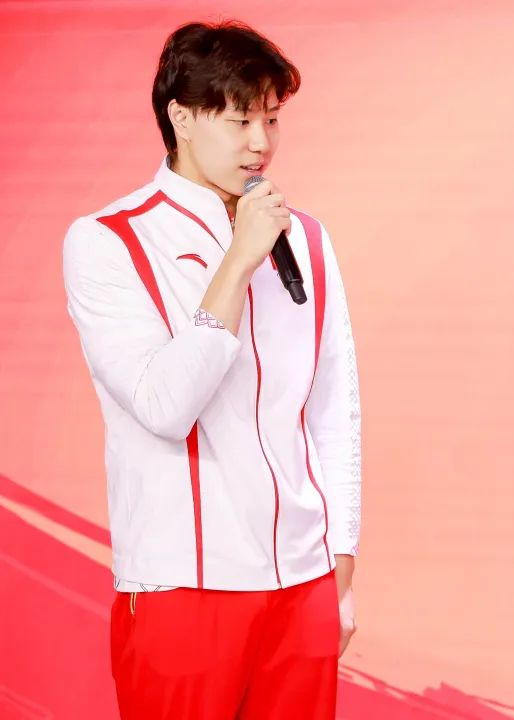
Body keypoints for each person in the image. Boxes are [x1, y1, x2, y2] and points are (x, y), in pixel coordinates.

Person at [62, 20, 361, 718]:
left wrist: (340, 566)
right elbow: (164, 406)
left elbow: (332, 410)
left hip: (303, 587)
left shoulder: (307, 238)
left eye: (272, 119)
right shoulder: (109, 241)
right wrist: (238, 259)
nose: (261, 143)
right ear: (182, 118)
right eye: (240, 121)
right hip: (183, 588)